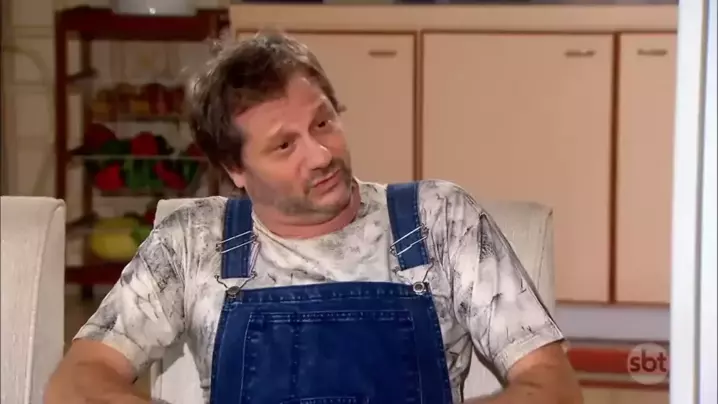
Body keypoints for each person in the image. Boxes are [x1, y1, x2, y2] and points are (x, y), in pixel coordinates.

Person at [45, 32, 582, 404]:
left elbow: (552, 387)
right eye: (285, 145)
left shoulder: (439, 219)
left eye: (323, 123)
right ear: (235, 168)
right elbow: (78, 381)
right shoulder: (193, 242)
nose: (321, 154)